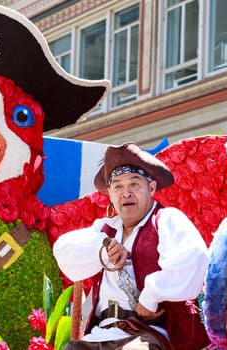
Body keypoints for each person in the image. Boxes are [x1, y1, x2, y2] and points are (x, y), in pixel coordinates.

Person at [53, 142, 210, 350]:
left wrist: (150, 296)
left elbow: (193, 258)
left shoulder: (166, 220)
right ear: (110, 193)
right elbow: (63, 251)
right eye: (118, 186)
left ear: (151, 187)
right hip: (99, 334)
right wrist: (103, 249)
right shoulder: (104, 229)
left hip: (149, 333)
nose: (125, 193)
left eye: (134, 184)